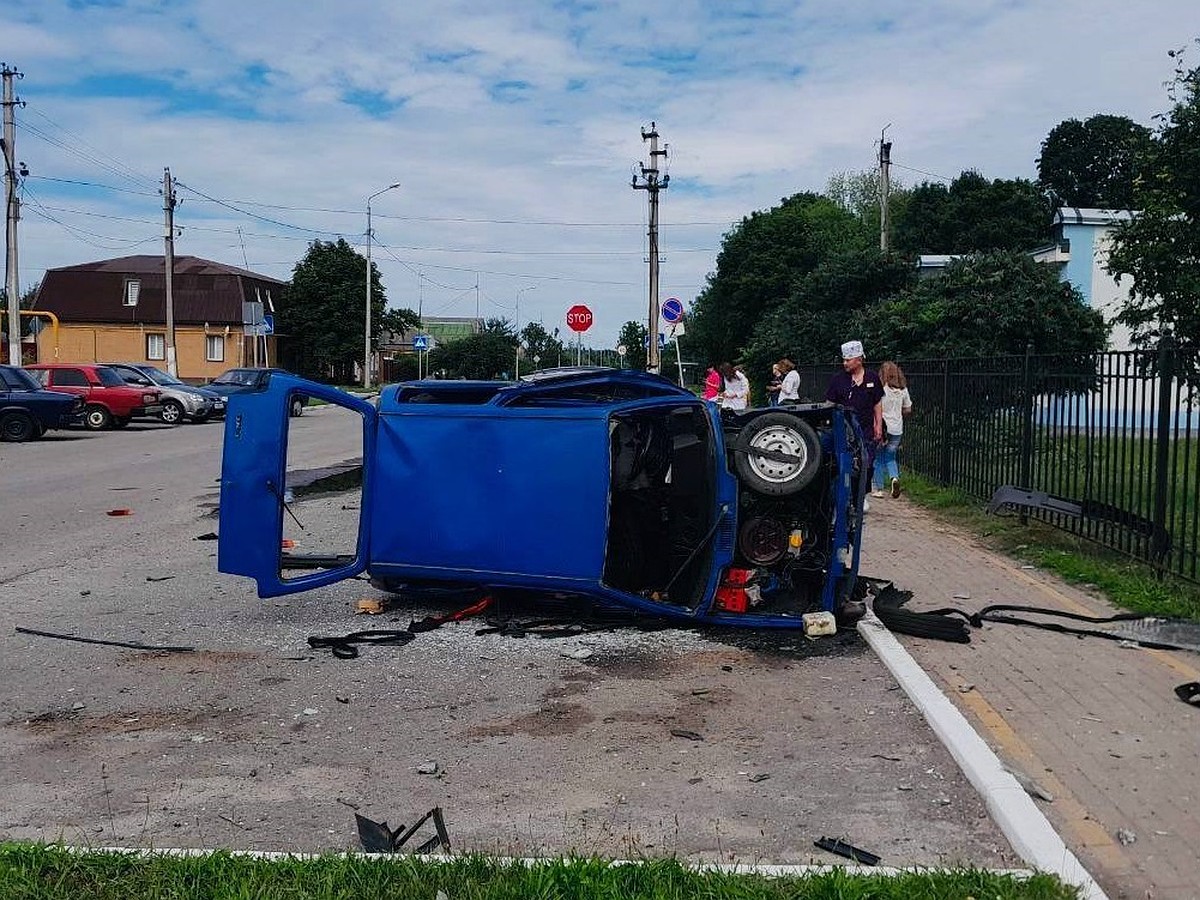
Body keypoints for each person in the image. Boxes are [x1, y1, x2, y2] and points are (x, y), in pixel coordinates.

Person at [825, 340, 883, 511]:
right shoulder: (839, 380)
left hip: (865, 428)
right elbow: (829, 402)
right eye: (844, 360)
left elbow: (877, 402)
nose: (845, 363)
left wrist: (878, 425)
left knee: (867, 463)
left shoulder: (872, 378)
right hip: (843, 430)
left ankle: (861, 496)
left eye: (848, 360)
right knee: (843, 463)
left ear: (858, 359)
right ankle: (843, 496)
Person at [872, 361, 913, 499]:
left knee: (877, 458)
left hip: (882, 427)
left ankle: (878, 488)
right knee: (890, 457)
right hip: (897, 429)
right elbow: (908, 409)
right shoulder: (903, 390)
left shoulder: (880, 389)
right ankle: (894, 478)